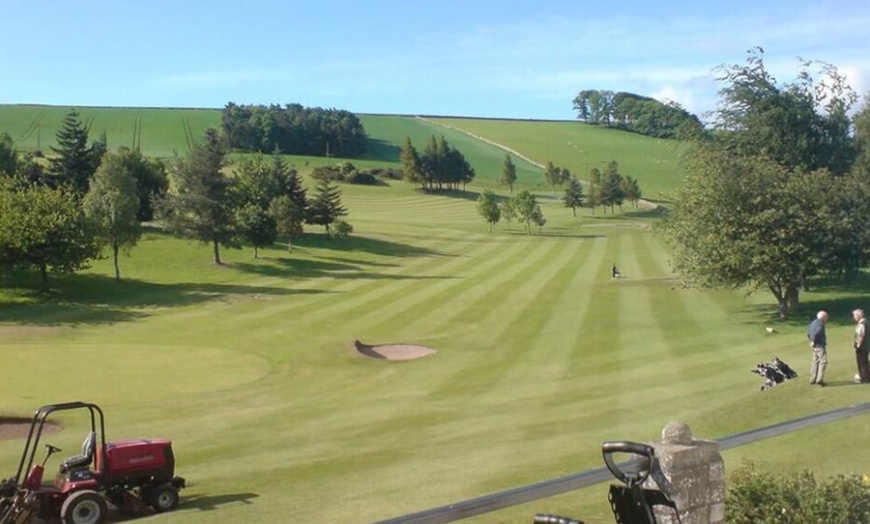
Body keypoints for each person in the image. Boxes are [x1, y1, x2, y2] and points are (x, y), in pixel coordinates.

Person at [807, 310, 828, 386]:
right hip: (819, 345)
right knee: (823, 361)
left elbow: (808, 333)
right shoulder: (820, 324)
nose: (826, 319)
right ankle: (819, 379)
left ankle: (812, 378)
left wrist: (811, 341)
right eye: (826, 317)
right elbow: (817, 332)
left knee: (815, 361)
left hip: (814, 346)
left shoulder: (812, 323)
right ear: (823, 317)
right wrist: (814, 341)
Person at [853, 309, 869, 384]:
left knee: (862, 363)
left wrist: (858, 345)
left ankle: (864, 378)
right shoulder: (867, 322)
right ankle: (867, 376)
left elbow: (861, 335)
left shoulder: (862, 323)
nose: (854, 317)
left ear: (859, 315)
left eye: (855, 315)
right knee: (865, 362)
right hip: (867, 345)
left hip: (863, 346)